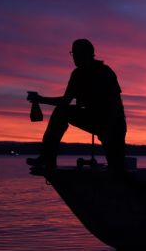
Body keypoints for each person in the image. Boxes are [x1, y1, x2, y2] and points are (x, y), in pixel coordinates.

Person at [26, 39, 127, 172]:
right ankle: (48, 157)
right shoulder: (77, 75)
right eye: (73, 53)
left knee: (116, 167)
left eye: (78, 53)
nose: (75, 57)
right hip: (92, 117)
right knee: (61, 112)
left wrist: (108, 131)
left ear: (89, 54)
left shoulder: (105, 72)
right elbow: (65, 101)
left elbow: (115, 103)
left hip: (113, 123)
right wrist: (40, 99)